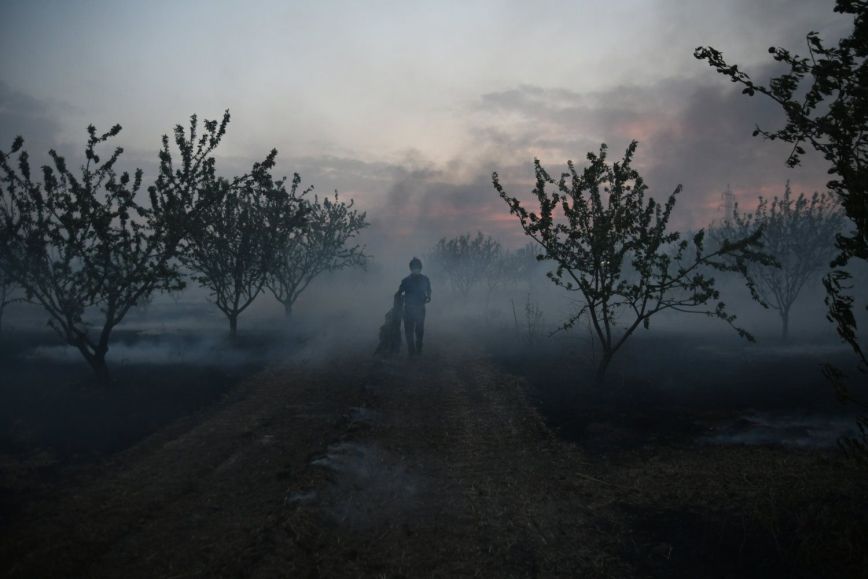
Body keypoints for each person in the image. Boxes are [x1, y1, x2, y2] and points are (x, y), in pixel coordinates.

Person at [396, 257, 431, 356]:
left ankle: (419, 348)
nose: (416, 269)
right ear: (411, 268)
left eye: (418, 267)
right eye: (414, 267)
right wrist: (398, 299)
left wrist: (428, 296)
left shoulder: (425, 279)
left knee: (419, 330)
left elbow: (429, 290)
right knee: (408, 331)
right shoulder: (406, 280)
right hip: (408, 309)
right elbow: (399, 292)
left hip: (420, 308)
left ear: (420, 268)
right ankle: (411, 351)